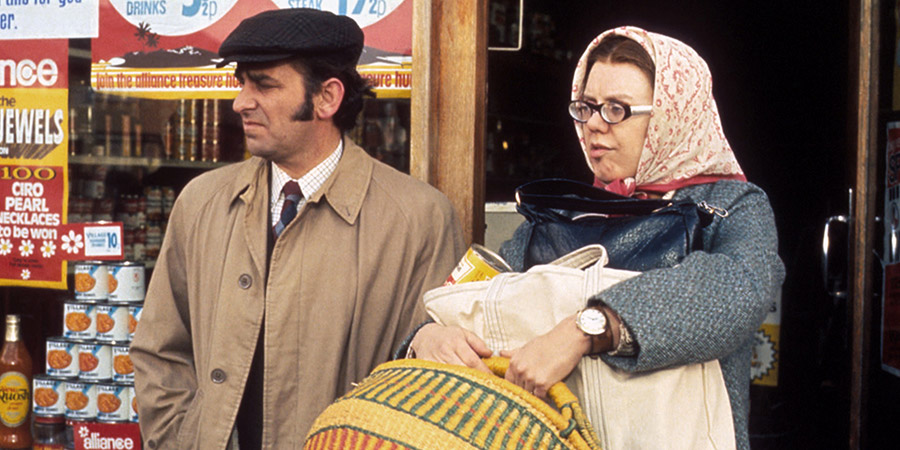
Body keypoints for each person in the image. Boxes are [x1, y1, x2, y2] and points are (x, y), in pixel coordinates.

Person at [408, 26, 784, 450]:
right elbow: (481, 291)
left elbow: (738, 290)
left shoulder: (730, 204)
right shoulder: (563, 212)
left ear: (671, 114)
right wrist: (427, 335)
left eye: (617, 109)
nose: (593, 126)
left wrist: (585, 330)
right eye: (586, 107)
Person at [130, 8, 465, 449]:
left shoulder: (420, 218)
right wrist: (181, 439)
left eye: (264, 84)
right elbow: (159, 350)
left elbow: (434, 387)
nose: (240, 102)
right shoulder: (201, 202)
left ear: (327, 98)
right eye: (242, 83)